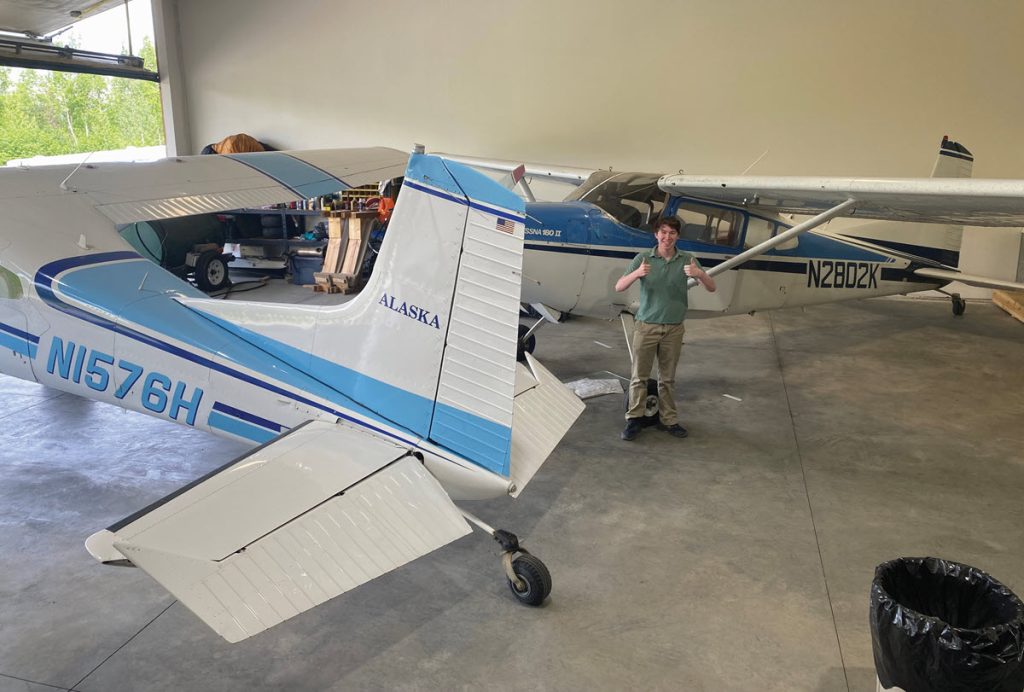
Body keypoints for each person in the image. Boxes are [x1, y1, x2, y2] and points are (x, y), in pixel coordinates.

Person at [614, 217, 716, 441]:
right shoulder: (643, 259)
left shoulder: (687, 260)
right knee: (638, 377)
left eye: (672, 233)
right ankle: (634, 420)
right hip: (646, 326)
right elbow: (619, 286)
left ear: (677, 236)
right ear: (656, 234)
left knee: (667, 379)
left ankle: (669, 420)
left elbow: (711, 287)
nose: (667, 237)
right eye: (663, 232)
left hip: (674, 328)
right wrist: (637, 274)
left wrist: (699, 274)